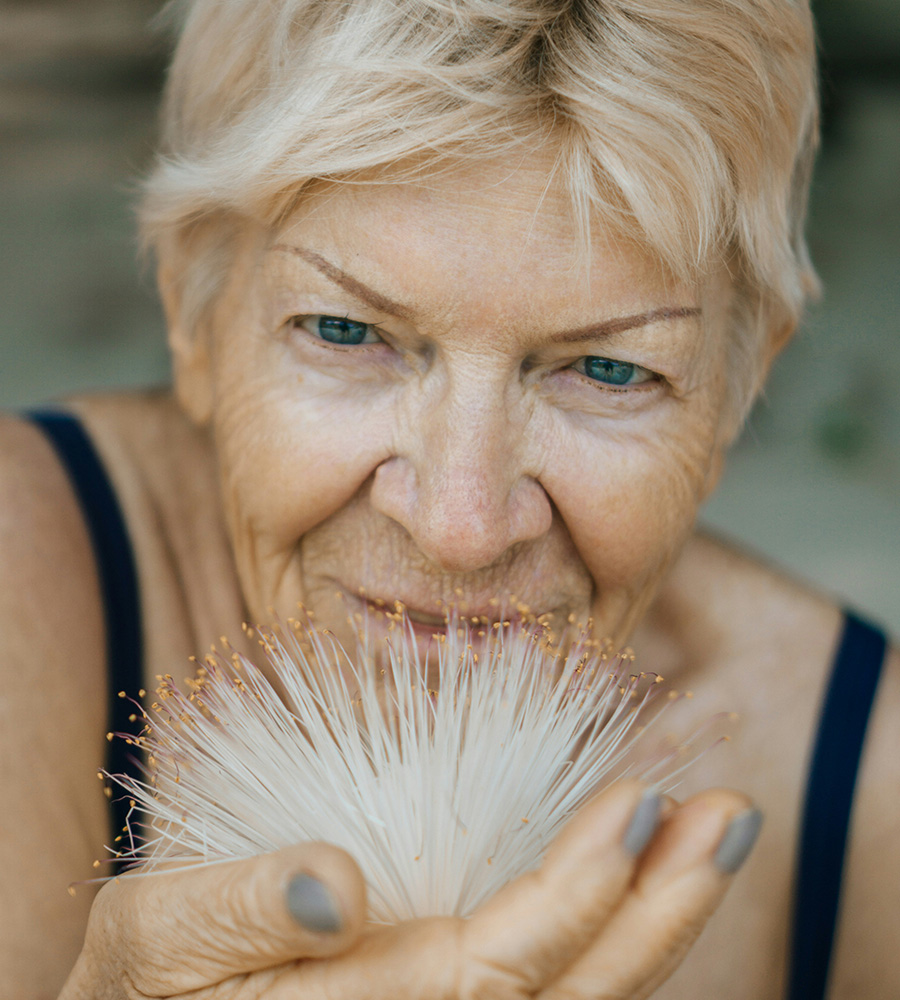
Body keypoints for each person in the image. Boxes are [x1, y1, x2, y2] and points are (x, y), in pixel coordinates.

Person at [1, 1, 896, 997]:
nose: (460, 529)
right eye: (344, 333)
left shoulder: (871, 798)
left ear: (736, 388)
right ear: (192, 310)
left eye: (607, 368)